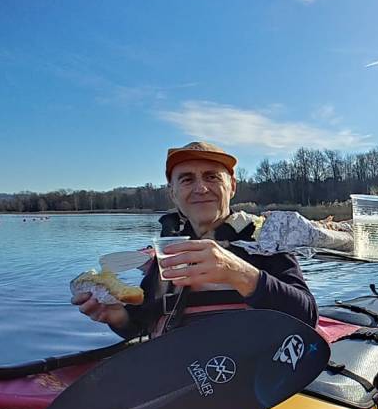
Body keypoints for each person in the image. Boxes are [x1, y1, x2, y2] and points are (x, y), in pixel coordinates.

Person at [72, 141, 318, 337]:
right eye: (187, 179)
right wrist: (117, 317)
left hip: (249, 371)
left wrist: (239, 273)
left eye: (212, 177)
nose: (200, 188)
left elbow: (307, 316)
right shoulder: (168, 246)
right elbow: (143, 323)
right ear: (173, 192)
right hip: (181, 372)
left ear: (232, 186)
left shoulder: (264, 238)